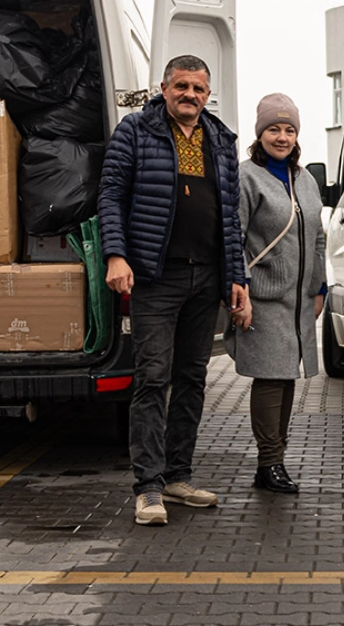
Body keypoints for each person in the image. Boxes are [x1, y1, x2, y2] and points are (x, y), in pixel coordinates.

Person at [98, 54, 248, 526]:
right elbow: (111, 195)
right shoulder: (135, 131)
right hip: (155, 277)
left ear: (208, 94)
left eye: (198, 89)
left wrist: (235, 278)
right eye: (181, 86)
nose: (190, 95)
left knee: (192, 380)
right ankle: (147, 488)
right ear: (164, 88)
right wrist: (115, 255)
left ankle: (178, 477)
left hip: (206, 278)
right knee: (152, 379)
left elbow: (230, 219)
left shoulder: (221, 140)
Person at [227, 94, 327, 494]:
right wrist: (240, 291)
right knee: (270, 379)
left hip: (300, 300)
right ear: (260, 134)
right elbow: (232, 236)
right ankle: (269, 463)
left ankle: (274, 460)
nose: (281, 137)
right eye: (273, 129)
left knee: (286, 378)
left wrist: (319, 286)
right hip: (263, 298)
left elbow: (317, 237)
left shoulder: (304, 178)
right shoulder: (247, 177)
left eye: (288, 130)